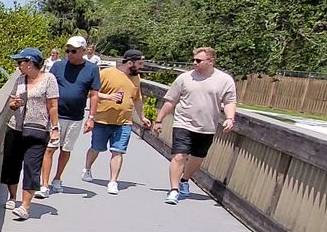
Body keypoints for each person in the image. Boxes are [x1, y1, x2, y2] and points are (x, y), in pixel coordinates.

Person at [157, 46, 238, 205]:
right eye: (193, 60)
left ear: (211, 61)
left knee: (197, 158)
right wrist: (159, 120)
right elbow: (171, 100)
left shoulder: (224, 80)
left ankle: (184, 179)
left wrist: (230, 118)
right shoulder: (184, 78)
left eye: (198, 60)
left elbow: (229, 101)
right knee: (179, 155)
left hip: (207, 126)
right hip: (183, 123)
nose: (194, 63)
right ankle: (174, 190)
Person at [0, 48, 59, 221]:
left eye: (20, 63)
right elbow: (12, 103)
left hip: (37, 129)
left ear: (30, 63)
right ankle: (12, 197)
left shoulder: (48, 79)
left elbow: (53, 106)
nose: (18, 66)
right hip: (16, 127)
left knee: (32, 166)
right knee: (11, 163)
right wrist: (14, 104)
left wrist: (55, 129)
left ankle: (25, 206)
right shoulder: (20, 79)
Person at [41, 36, 100, 196]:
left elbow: (94, 94)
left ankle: (57, 178)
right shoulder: (58, 67)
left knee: (65, 149)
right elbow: (46, 88)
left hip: (76, 117)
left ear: (83, 51)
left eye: (73, 51)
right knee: (50, 149)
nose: (70, 54)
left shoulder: (92, 69)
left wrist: (91, 118)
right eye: (67, 51)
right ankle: (44, 185)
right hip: (56, 115)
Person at [83, 50, 147, 194]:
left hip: (124, 122)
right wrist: (108, 97)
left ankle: (113, 181)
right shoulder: (106, 73)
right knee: (96, 148)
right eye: (139, 63)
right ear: (130, 63)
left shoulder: (136, 78)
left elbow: (137, 99)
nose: (141, 66)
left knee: (118, 151)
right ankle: (87, 168)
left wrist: (142, 117)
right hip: (102, 120)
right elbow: (90, 93)